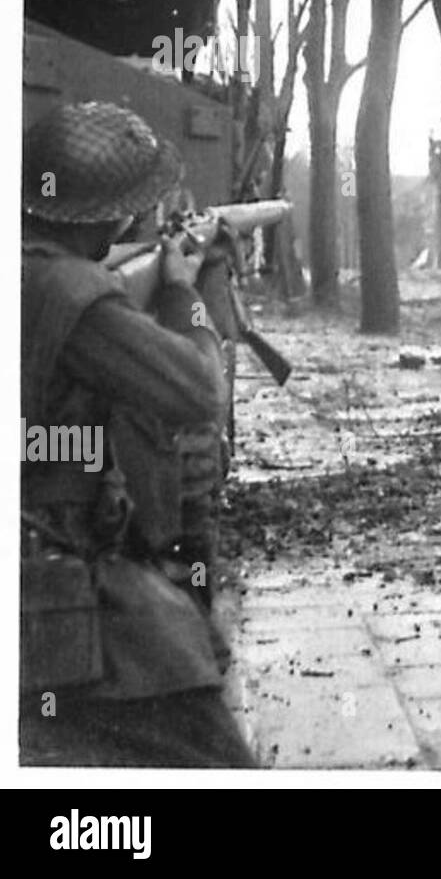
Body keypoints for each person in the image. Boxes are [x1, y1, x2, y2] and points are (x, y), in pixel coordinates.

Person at [20, 101, 256, 766]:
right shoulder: (69, 291)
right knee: (217, 760)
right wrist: (185, 292)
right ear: (106, 215)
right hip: (58, 593)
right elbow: (196, 392)